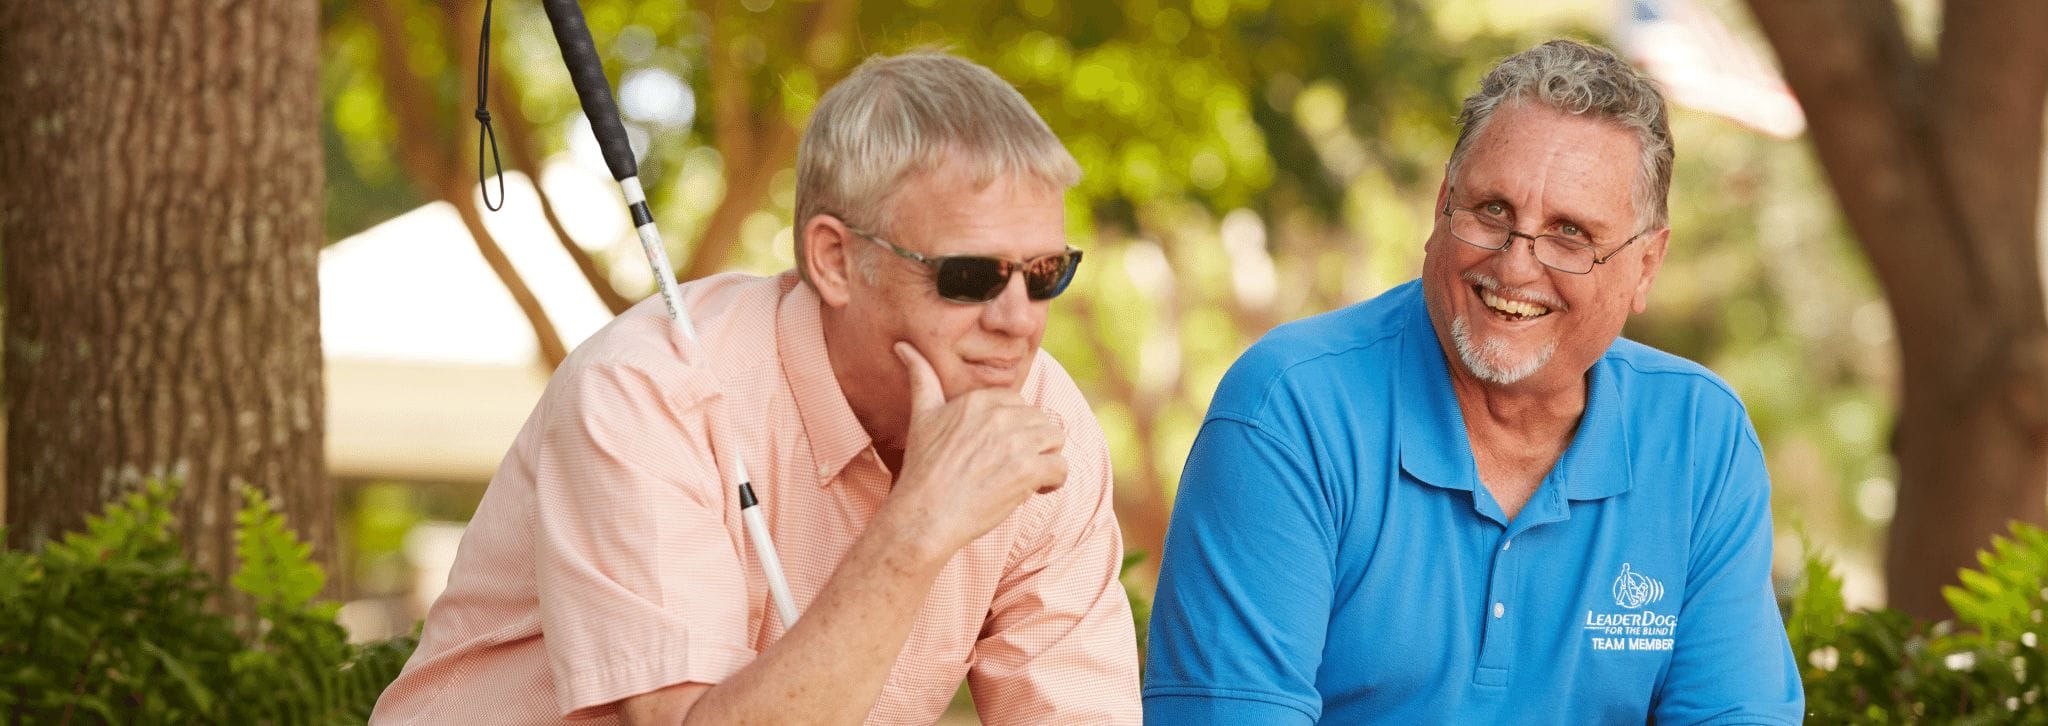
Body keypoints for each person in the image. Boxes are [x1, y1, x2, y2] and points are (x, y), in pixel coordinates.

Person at [372, 51, 1140, 724]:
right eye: (970, 276)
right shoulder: (647, 391)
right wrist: (918, 528)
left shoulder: (1039, 413)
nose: (1019, 322)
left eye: (1046, 275)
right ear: (836, 261)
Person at [1142, 39, 1803, 723]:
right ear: (1441, 208)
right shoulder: (1293, 408)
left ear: (1645, 265)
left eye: (1569, 233)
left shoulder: (1700, 437)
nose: (1516, 267)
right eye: (1492, 211)